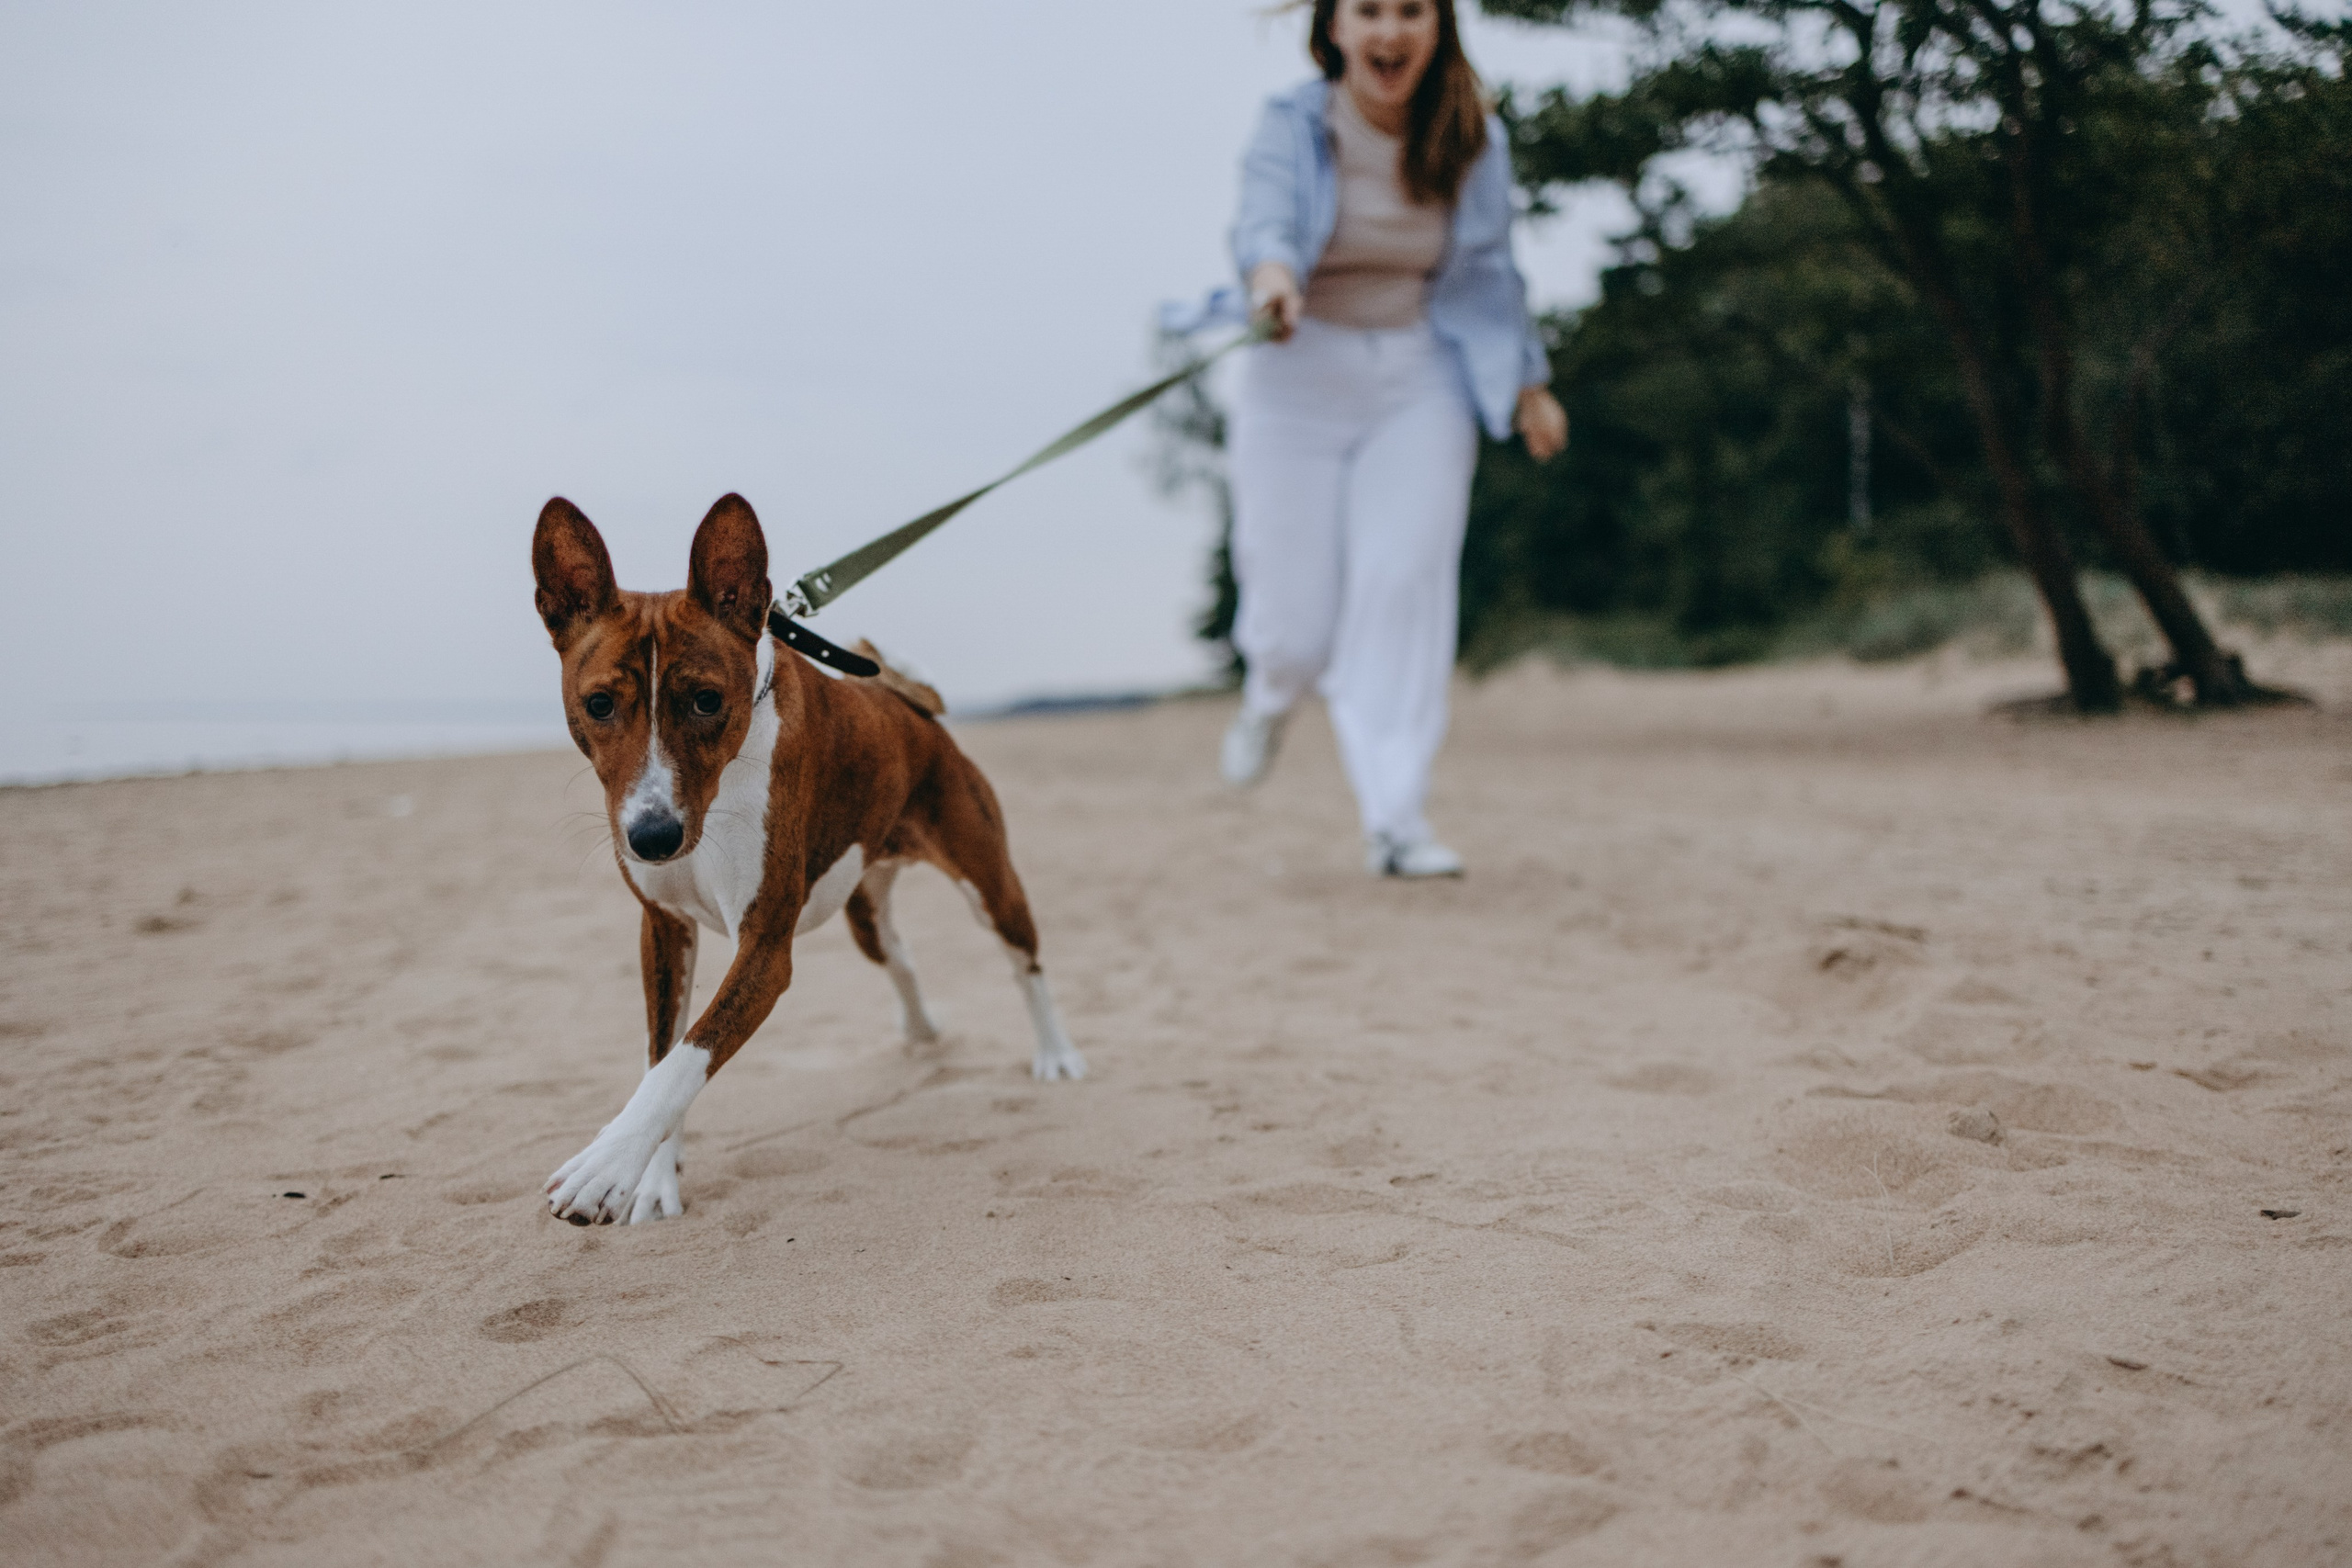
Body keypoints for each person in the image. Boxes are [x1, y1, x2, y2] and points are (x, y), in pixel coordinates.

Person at [1218, 0, 1566, 878]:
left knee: (1403, 584)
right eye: (1368, 9)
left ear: (1438, 27)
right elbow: (1263, 223)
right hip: (1297, 369)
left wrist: (1529, 384)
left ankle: (1397, 818)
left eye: (1411, 10)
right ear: (1334, 27)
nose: (1389, 31)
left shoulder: (1472, 136)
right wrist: (1272, 279)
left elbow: (1492, 270)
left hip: (1420, 372)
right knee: (1294, 627)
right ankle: (1272, 693)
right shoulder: (1293, 122)